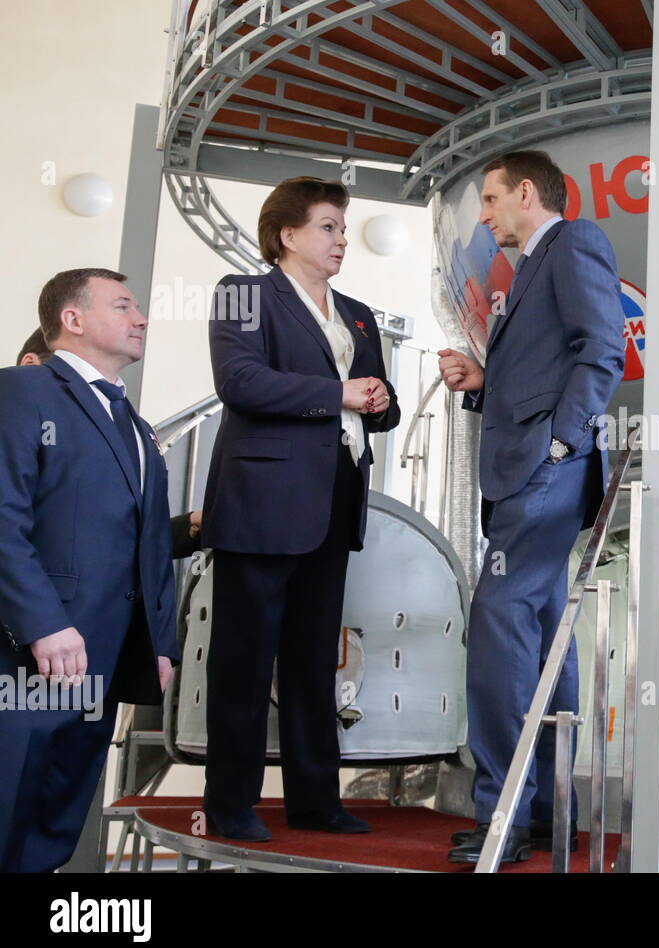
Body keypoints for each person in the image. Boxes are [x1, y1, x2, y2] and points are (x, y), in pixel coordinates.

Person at [438, 150, 625, 863]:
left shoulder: (572, 242)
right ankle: (547, 810)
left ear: (526, 192)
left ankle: (502, 816)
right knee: (545, 637)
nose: (484, 216)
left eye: (490, 200)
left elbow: (601, 348)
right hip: (534, 467)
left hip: (547, 471)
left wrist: (560, 443)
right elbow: (547, 367)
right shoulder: (530, 267)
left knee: (497, 621)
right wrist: (484, 381)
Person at [200, 176, 400, 842]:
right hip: (262, 501)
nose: (342, 239)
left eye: (343, 228)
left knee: (316, 661)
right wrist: (339, 393)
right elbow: (240, 382)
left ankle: (316, 802)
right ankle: (230, 804)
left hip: (335, 500)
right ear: (287, 234)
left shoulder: (358, 313)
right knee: (243, 660)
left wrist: (379, 400)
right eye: (328, 227)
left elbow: (379, 402)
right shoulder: (244, 293)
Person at [0, 268, 178, 872]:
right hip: (30, 654)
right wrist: (43, 623)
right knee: (8, 806)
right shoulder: (21, 391)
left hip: (105, 659)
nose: (141, 318)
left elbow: (150, 543)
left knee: (55, 820)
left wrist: (159, 642)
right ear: (72, 319)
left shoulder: (135, 425)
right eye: (123, 305)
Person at [14, 326, 205, 556]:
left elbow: (117, 536)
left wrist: (190, 525)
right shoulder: (18, 429)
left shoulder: (135, 431)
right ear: (29, 364)